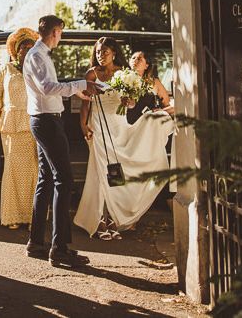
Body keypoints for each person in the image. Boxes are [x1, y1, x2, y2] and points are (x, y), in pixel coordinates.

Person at [74, 37, 174, 240]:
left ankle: (112, 217)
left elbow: (130, 103)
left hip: (119, 126)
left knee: (115, 174)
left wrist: (129, 102)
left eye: (105, 52)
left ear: (113, 52)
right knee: (101, 171)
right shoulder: (92, 73)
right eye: (99, 52)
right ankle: (98, 219)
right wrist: (83, 125)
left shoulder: (123, 73)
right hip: (98, 125)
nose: (101, 55)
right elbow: (86, 103)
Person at [24, 14, 95, 268]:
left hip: (45, 119)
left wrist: (78, 90)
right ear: (54, 32)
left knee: (47, 178)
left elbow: (51, 88)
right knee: (64, 179)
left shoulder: (39, 55)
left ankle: (36, 242)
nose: (61, 37)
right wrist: (79, 84)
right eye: (61, 33)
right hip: (46, 122)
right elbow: (48, 88)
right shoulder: (37, 56)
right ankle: (59, 247)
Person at [0, 27, 39, 229]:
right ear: (16, 50)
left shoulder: (39, 69)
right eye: (24, 48)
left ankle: (33, 217)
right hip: (11, 125)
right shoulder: (5, 69)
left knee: (34, 170)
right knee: (13, 170)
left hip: (33, 124)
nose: (28, 51)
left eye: (32, 48)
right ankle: (12, 216)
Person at [125, 50, 173, 125]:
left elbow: (168, 106)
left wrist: (160, 112)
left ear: (146, 65)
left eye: (139, 59)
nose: (135, 60)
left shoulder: (154, 82)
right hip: (127, 123)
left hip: (148, 125)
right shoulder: (123, 80)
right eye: (133, 58)